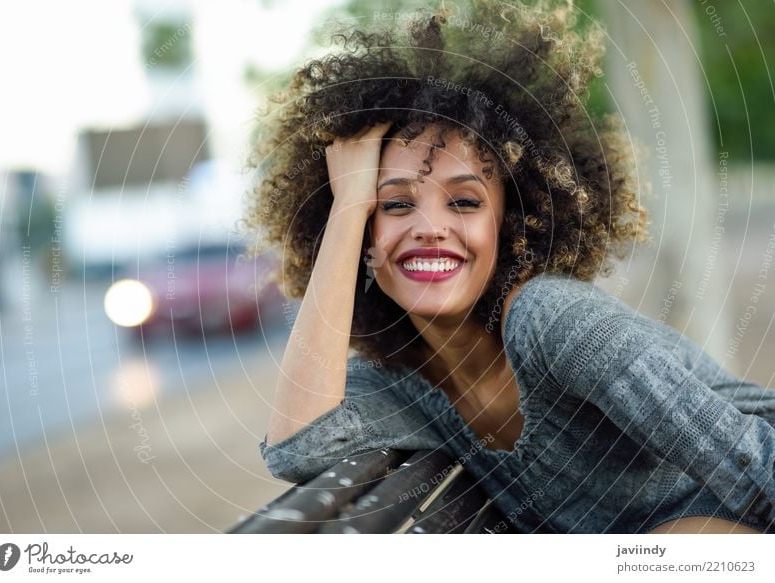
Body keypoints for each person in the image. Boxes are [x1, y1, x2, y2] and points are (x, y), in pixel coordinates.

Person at [243, 0, 775, 533]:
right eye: (396, 204)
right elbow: (298, 450)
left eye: (466, 202)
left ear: (511, 223)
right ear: (364, 237)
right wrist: (348, 205)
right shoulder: (402, 382)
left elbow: (758, 466)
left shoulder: (554, 323)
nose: (429, 227)